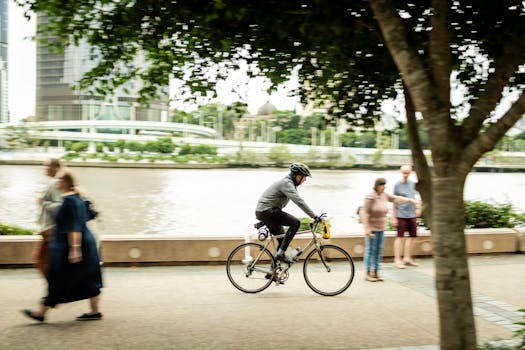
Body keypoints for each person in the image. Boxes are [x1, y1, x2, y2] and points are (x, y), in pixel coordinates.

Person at [22, 170, 103, 322]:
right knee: (89, 277)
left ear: (65, 182)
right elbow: (87, 217)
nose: (56, 182)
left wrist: (75, 249)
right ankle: (95, 311)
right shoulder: (79, 198)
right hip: (87, 243)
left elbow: (74, 227)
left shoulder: (70, 201)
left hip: (71, 245)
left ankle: (41, 312)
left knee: (58, 277)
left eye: (59, 180)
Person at [255, 162, 319, 263]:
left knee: (282, 240)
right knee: (295, 223)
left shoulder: (289, 183)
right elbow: (299, 201)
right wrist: (315, 216)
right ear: (298, 177)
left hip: (265, 212)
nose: (305, 180)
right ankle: (280, 254)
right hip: (267, 211)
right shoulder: (287, 183)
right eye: (304, 177)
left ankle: (272, 272)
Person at [360, 177, 419, 282]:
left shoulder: (384, 195)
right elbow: (364, 212)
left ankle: (376, 272)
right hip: (372, 229)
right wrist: (366, 228)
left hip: (381, 228)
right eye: (382, 186)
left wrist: (411, 200)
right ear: (377, 186)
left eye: (385, 186)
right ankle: (368, 273)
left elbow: (396, 198)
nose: (384, 188)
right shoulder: (370, 197)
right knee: (370, 250)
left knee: (379, 250)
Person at [33, 158, 63, 279]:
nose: (44, 169)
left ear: (54, 168)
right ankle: (56, 288)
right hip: (49, 229)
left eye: (46, 166)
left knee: (41, 260)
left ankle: (55, 289)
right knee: (44, 261)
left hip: (51, 229)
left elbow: (60, 206)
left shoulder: (55, 183)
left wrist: (43, 202)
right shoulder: (55, 182)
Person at [392, 165, 421, 269]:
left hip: (412, 214)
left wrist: (418, 208)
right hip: (401, 214)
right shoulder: (397, 185)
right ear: (401, 172)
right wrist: (393, 217)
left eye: (407, 172)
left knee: (413, 237)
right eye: (404, 172)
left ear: (410, 172)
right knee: (399, 237)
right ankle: (397, 260)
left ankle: (407, 258)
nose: (405, 175)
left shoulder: (413, 184)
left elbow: (417, 197)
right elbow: (393, 201)